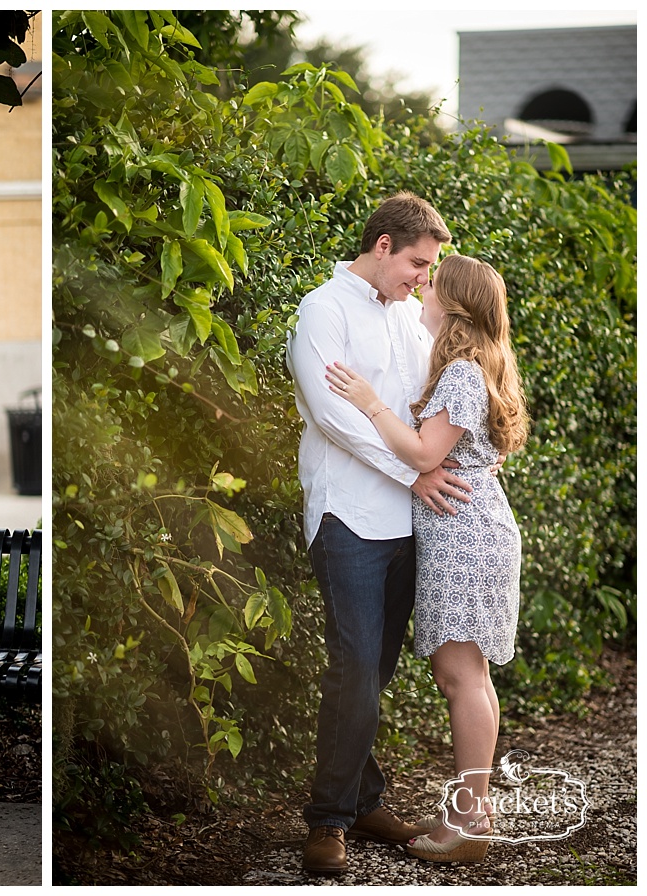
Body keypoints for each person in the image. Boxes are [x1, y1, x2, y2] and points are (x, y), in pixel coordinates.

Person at [286, 192, 475, 875]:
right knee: (356, 667)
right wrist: (412, 474)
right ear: (385, 245)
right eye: (418, 263)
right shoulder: (322, 310)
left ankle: (363, 802)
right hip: (349, 519)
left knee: (375, 672)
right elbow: (336, 417)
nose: (424, 277)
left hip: (409, 524)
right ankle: (329, 821)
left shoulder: (414, 321)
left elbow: (437, 408)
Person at [326, 253, 528, 863]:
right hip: (473, 531)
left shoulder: (464, 373)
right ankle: (477, 816)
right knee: (470, 677)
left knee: (461, 678)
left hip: (466, 539)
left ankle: (467, 822)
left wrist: (367, 400)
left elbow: (420, 454)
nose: (423, 290)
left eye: (433, 285)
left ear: (453, 306)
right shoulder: (480, 365)